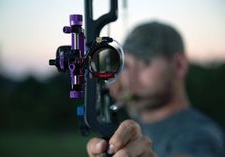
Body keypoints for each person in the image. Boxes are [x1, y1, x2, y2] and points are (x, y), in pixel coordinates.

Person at [87, 21, 225, 157]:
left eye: (145, 62)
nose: (129, 77)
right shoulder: (140, 126)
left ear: (179, 65)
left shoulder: (198, 135)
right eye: (127, 65)